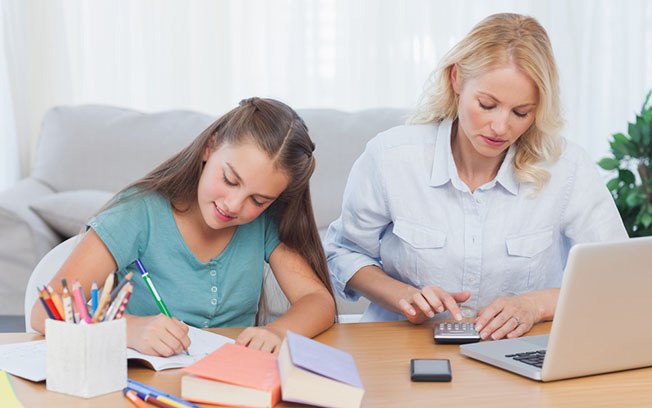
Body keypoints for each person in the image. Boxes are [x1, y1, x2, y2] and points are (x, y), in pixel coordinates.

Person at [324, 13, 627, 341]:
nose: (500, 127)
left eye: (521, 112)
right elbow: (343, 252)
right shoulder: (391, 157)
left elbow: (616, 275)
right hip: (402, 347)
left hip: (518, 351)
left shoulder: (566, 168)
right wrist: (400, 295)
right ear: (456, 80)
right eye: (487, 104)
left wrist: (535, 305)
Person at [31, 97, 336, 355]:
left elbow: (318, 301)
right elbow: (45, 314)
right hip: (140, 382)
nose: (233, 205)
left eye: (258, 199)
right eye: (230, 179)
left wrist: (279, 333)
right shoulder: (137, 213)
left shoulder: (263, 225)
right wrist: (128, 330)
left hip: (232, 382)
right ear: (210, 147)